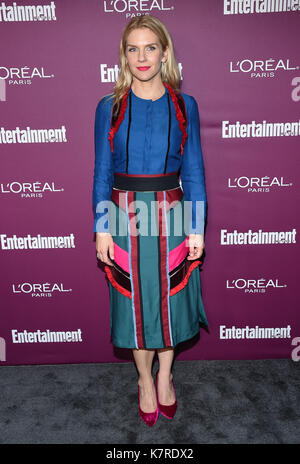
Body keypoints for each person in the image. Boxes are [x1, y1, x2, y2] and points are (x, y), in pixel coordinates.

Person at [92, 15, 208, 427]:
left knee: (170, 304)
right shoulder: (109, 106)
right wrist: (102, 227)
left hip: (172, 216)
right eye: (132, 48)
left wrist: (196, 228)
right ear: (123, 55)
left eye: (150, 47)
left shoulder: (184, 105)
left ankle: (164, 376)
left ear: (165, 52)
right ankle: (144, 380)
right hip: (124, 218)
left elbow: (193, 171)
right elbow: (102, 173)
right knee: (133, 307)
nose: (142, 57)